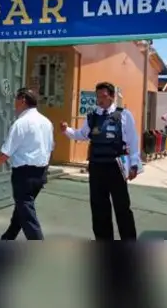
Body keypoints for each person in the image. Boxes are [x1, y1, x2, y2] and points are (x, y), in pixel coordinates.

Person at [60, 81, 141, 240]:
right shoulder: (92, 117)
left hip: (117, 167)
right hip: (96, 167)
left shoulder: (124, 115)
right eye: (97, 96)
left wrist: (134, 165)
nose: (99, 100)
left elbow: (133, 141)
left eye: (103, 96)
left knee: (122, 207)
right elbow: (82, 135)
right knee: (99, 207)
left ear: (111, 96)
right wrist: (67, 131)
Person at [0, 87, 53, 240]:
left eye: (16, 99)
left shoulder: (21, 123)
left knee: (26, 213)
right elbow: (50, 148)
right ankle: (7, 238)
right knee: (21, 210)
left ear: (22, 100)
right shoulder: (46, 122)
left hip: (24, 175)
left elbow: (5, 153)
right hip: (40, 173)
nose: (14, 102)